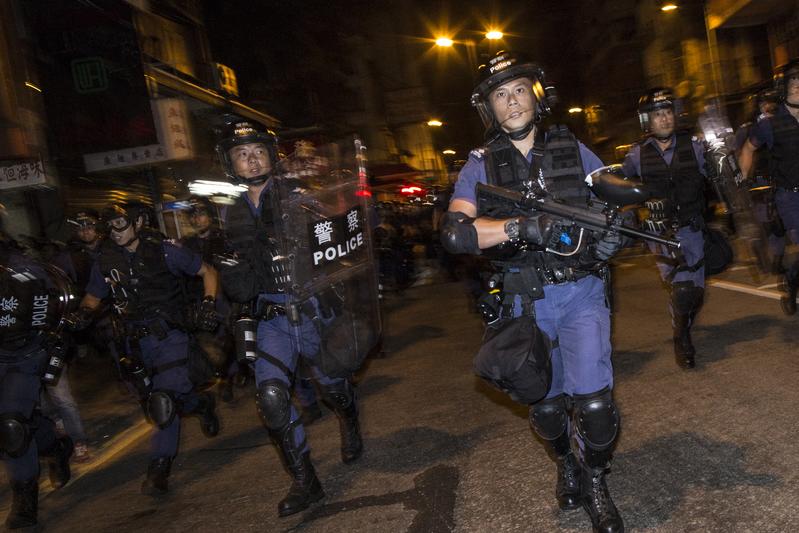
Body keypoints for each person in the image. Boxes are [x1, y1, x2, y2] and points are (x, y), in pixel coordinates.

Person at [441, 51, 624, 533]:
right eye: (500, 95)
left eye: (519, 89)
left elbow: (611, 195)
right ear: (490, 109)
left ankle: (596, 482)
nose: (512, 101)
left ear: (536, 95)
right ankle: (565, 458)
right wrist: (522, 226)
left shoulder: (571, 147)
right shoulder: (479, 164)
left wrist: (616, 228)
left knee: (596, 407)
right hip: (523, 302)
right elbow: (458, 233)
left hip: (581, 290)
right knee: (546, 409)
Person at [216, 121, 363, 517]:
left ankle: (348, 417)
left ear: (271, 156)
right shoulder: (228, 216)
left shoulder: (298, 196)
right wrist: (229, 273)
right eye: (241, 154)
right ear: (231, 164)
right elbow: (237, 284)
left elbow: (338, 242)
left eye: (257, 151)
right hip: (271, 317)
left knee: (333, 386)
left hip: (312, 308)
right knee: (271, 397)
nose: (251, 159)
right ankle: (305, 480)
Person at [66, 202, 221, 496]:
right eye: (109, 226)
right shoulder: (105, 260)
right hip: (133, 343)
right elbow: (93, 296)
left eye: (120, 224)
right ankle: (200, 404)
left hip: (169, 337)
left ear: (138, 222)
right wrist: (83, 313)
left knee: (163, 401)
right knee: (156, 401)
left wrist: (209, 303)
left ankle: (159, 467)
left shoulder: (165, 251)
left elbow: (207, 271)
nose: (114, 232)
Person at [621, 87, 708, 370]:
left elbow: (717, 178)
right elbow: (623, 191)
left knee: (693, 290)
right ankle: (682, 337)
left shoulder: (694, 146)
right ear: (647, 120)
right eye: (657, 114)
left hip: (691, 227)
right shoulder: (636, 155)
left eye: (667, 112)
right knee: (679, 287)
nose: (664, 119)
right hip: (658, 233)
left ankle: (682, 324)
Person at [1, 228, 74, 529]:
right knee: (18, 422)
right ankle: (55, 446)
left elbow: (47, 315)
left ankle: (25, 500)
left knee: (12, 425)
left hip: (25, 355)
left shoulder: (22, 271)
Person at [738, 60, 799, 314]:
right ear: (784, 88)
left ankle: (791, 280)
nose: (798, 88)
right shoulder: (770, 124)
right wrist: (741, 179)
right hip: (790, 197)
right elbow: (749, 148)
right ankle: (791, 282)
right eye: (794, 83)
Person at [180, 197, 244, 402]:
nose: (197, 219)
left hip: (227, 295)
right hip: (202, 298)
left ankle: (236, 371)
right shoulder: (186, 245)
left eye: (201, 214)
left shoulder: (225, 238)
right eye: (193, 216)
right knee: (211, 343)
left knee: (233, 337)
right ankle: (224, 375)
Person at [734, 90, 785, 274]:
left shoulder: (784, 123)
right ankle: (762, 252)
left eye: (770, 103)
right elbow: (741, 154)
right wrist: (742, 181)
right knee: (765, 222)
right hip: (756, 182)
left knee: (779, 225)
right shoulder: (748, 129)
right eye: (763, 103)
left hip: (781, 178)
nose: (767, 107)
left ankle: (778, 259)